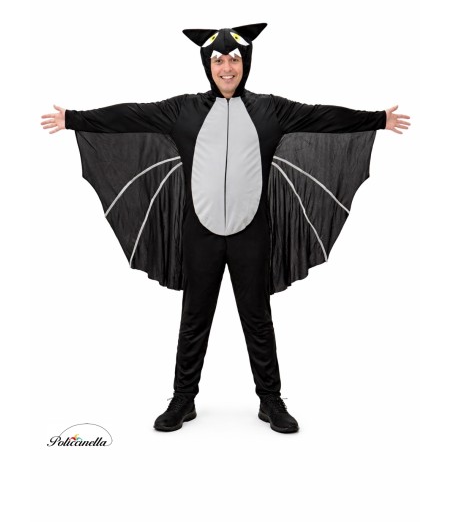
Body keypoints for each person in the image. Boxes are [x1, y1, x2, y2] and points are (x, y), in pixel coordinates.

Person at [41, 23, 410, 434]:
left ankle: (270, 400)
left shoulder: (271, 110)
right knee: (194, 317)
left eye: (234, 59)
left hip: (252, 231)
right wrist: (73, 119)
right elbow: (130, 115)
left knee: (257, 317)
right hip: (200, 232)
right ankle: (183, 399)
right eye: (218, 60)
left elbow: (322, 117)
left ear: (245, 63)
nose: (227, 67)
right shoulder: (183, 111)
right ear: (208, 65)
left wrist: (378, 119)